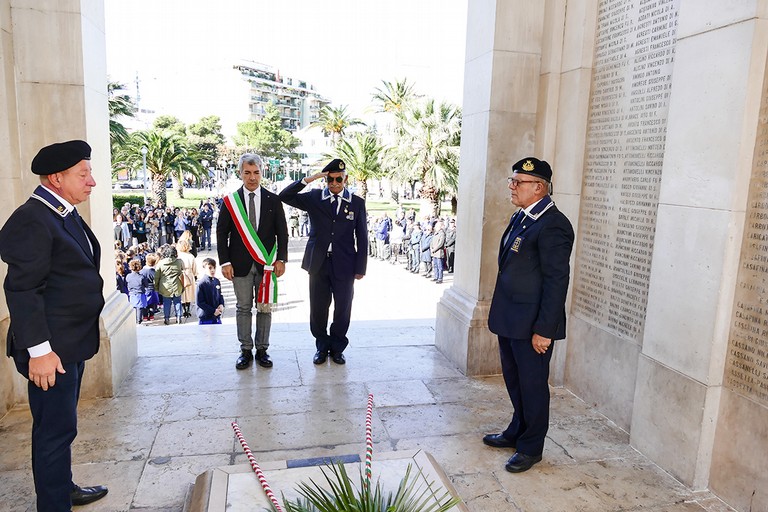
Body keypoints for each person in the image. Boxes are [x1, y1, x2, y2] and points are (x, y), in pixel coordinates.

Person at [0, 140, 108, 509]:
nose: (91, 181)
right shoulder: (33, 219)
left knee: (62, 428)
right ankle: (54, 503)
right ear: (56, 177)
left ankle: (62, 487)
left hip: (68, 344)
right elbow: (22, 289)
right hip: (51, 351)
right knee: (54, 431)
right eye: (84, 173)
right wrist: (40, 352)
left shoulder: (59, 211)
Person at [483, 157, 575, 474]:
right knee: (514, 382)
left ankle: (531, 446)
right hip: (510, 320)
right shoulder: (522, 217)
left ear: (538, 187)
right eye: (512, 180)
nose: (511, 186)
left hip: (532, 326)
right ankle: (516, 430)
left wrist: (544, 330)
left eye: (517, 182)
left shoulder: (554, 225)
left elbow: (556, 281)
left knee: (533, 386)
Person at [279, 158, 367, 365]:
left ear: (345, 179)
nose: (334, 184)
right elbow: (285, 196)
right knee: (318, 307)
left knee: (343, 307)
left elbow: (362, 237)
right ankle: (321, 345)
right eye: (330, 179)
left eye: (339, 179)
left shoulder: (356, 203)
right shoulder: (315, 197)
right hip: (318, 263)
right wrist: (311, 179)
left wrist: (361, 267)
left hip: (345, 264)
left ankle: (337, 347)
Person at [217, 153, 288, 370]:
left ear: (261, 172)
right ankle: (245, 350)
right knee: (243, 308)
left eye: (256, 172)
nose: (252, 178)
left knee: (265, 308)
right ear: (240, 173)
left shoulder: (273, 200)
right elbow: (221, 234)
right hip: (239, 265)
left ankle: (263, 349)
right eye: (247, 173)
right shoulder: (231, 202)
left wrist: (282, 259)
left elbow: (282, 233)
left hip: (266, 265)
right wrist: (225, 262)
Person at [154, 244, 184, 325]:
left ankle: (167, 318)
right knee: (177, 302)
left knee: (166, 303)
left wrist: (156, 287)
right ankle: (178, 317)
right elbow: (182, 271)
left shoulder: (160, 263)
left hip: (165, 286)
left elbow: (156, 277)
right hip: (177, 284)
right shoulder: (179, 262)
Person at [196, 258, 225, 324]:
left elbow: (220, 295)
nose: (213, 270)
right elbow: (200, 302)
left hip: (216, 316)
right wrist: (213, 311)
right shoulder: (201, 284)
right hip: (206, 317)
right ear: (204, 269)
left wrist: (221, 304)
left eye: (214, 268)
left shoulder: (216, 281)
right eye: (210, 268)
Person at [176, 238, 197, 318]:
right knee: (189, 293)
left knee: (182, 293)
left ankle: (183, 309)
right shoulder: (190, 256)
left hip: (180, 274)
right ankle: (187, 310)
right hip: (189, 274)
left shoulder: (178, 256)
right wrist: (195, 275)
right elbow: (194, 267)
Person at [125, 258, 148, 324]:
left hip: (132, 293)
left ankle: (134, 320)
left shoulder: (128, 276)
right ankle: (139, 320)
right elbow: (146, 285)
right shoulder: (142, 277)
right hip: (140, 293)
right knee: (139, 307)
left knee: (133, 307)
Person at [430, 220, 446, 284]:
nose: (435, 227)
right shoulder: (435, 233)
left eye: (437, 226)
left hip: (439, 252)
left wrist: (434, 249)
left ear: (440, 226)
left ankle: (440, 278)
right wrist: (431, 248)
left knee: (440, 266)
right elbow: (432, 241)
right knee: (435, 265)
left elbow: (440, 243)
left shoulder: (442, 234)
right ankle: (436, 276)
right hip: (434, 252)